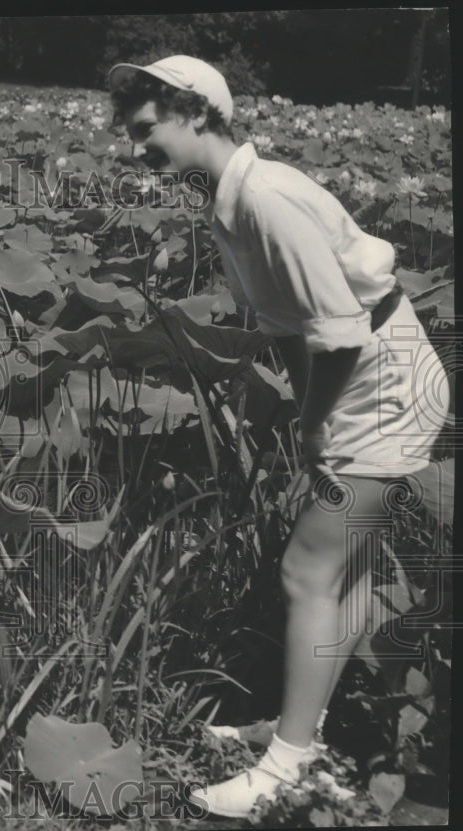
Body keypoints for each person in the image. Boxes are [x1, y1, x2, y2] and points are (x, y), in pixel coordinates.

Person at [107, 55, 450, 818]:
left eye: (145, 130)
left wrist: (318, 418)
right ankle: (305, 729)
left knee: (306, 569)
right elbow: (292, 327)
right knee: (345, 575)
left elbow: (340, 333)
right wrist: (307, 414)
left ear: (196, 113)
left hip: (385, 384)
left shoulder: (265, 198)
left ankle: (285, 767)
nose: (136, 149)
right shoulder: (225, 202)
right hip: (361, 375)